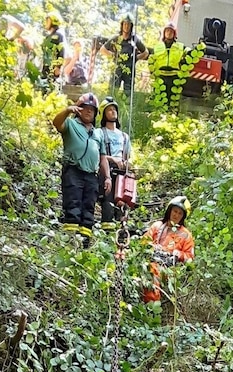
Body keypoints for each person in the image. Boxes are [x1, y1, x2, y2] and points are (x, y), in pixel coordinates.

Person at [52, 93, 104, 242]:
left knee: (89, 207)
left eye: (92, 110)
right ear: (79, 109)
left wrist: (106, 177)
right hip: (74, 171)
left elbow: (103, 157)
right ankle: (70, 241)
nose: (88, 111)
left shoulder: (98, 133)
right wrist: (68, 110)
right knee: (73, 203)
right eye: (85, 108)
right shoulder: (71, 124)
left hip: (91, 175)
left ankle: (84, 242)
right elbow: (56, 123)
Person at [142, 195, 194, 303]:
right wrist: (152, 246)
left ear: (183, 217)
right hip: (151, 259)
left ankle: (152, 305)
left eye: (180, 213)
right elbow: (143, 242)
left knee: (153, 270)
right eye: (175, 211)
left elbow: (190, 258)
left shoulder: (186, 234)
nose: (176, 215)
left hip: (170, 269)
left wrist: (178, 254)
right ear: (169, 211)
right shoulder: (157, 226)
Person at [96, 98, 131, 228]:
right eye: (109, 110)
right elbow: (98, 154)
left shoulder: (124, 137)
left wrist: (126, 163)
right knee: (108, 199)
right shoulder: (100, 133)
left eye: (114, 109)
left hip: (122, 173)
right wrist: (113, 160)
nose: (113, 112)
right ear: (104, 114)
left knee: (123, 200)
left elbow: (127, 156)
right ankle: (107, 227)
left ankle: (121, 228)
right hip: (107, 170)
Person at [100, 14, 148, 94]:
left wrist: (136, 58)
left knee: (128, 93)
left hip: (129, 70)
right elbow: (102, 49)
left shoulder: (134, 39)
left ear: (131, 26)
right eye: (125, 24)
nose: (126, 26)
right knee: (113, 91)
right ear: (122, 25)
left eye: (128, 24)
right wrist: (113, 55)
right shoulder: (116, 38)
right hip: (117, 68)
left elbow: (146, 52)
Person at [148, 23, 186, 112]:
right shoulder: (157, 47)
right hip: (160, 77)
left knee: (173, 101)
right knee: (159, 100)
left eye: (171, 31)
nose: (169, 33)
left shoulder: (180, 46)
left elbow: (189, 53)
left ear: (174, 34)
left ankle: (171, 118)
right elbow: (151, 60)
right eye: (167, 31)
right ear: (164, 33)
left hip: (174, 78)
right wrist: (152, 72)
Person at [40, 11, 66, 88]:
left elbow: (62, 51)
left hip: (53, 69)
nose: (46, 23)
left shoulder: (58, 35)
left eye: (48, 21)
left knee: (51, 88)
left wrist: (58, 66)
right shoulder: (47, 37)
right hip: (45, 67)